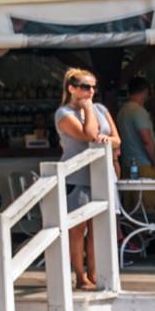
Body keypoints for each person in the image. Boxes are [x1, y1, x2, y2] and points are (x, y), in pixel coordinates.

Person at [56, 68, 119, 291]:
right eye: (85, 87)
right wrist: (88, 109)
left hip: (101, 175)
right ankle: (80, 276)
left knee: (97, 228)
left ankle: (94, 273)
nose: (90, 91)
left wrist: (107, 138)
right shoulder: (64, 114)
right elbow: (88, 135)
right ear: (71, 89)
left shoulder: (101, 108)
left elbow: (117, 140)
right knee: (77, 228)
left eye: (93, 87)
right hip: (78, 176)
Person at [116, 79, 155, 180]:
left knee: (130, 195)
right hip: (144, 164)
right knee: (146, 195)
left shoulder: (122, 111)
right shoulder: (139, 111)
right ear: (146, 92)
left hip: (127, 164)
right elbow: (146, 140)